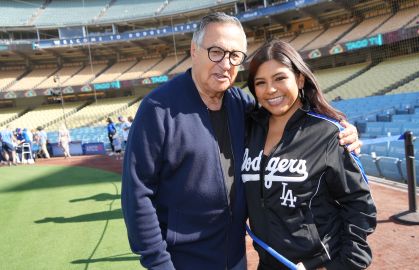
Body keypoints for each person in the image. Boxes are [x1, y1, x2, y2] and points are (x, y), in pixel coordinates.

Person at [121, 12, 362, 270]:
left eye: (235, 55)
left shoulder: (243, 105)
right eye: (216, 51)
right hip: (181, 261)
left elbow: (293, 115)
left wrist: (342, 129)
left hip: (235, 258)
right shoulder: (158, 109)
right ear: (193, 50)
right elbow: (137, 194)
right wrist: (159, 263)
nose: (226, 64)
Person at [242, 40, 377, 270]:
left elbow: (359, 206)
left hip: (320, 263)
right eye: (260, 83)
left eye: (280, 78)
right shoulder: (248, 129)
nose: (270, 89)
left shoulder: (328, 133)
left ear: (300, 78)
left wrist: (345, 266)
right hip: (268, 264)